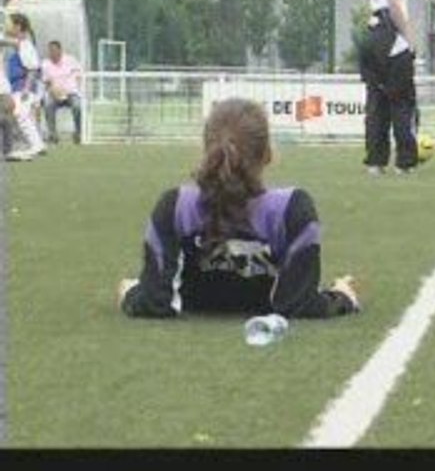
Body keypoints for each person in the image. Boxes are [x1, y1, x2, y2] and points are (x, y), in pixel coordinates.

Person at [118, 98, 361, 319]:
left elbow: (154, 303)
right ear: (267, 154)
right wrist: (342, 297)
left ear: (205, 150)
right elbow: (299, 305)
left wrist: (131, 293)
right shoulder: (292, 210)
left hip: (194, 308)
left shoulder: (175, 206)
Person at [360, 0, 419, 176]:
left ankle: (376, 160)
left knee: (377, 102)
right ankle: (404, 161)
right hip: (391, 39)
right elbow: (395, 6)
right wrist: (409, 37)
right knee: (401, 101)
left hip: (374, 36)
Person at [1, 12, 45, 160]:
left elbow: (32, 68)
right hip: (17, 88)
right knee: (20, 117)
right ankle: (35, 145)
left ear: (17, 27)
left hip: (22, 88)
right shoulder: (20, 45)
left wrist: (26, 88)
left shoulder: (25, 45)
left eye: (9, 24)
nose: (6, 26)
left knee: (21, 117)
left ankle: (36, 145)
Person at [41, 40, 84, 145]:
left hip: (71, 93)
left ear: (60, 50)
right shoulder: (45, 63)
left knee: (77, 105)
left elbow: (79, 75)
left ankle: (78, 133)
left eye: (54, 50)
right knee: (48, 105)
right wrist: (53, 91)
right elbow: (46, 83)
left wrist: (75, 88)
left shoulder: (70, 60)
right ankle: (53, 135)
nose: (52, 53)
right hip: (55, 94)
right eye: (50, 51)